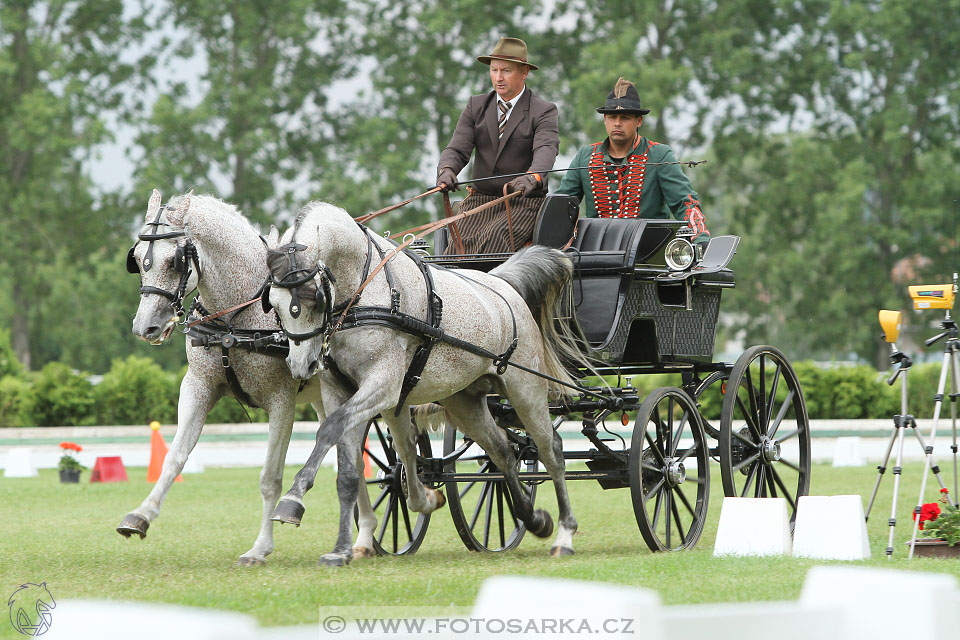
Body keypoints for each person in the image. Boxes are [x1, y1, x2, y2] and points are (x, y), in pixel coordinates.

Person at [436, 37, 559, 254]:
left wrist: (533, 176)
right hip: (479, 200)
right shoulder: (476, 106)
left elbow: (546, 150)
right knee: (455, 248)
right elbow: (457, 148)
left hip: (522, 202)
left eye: (506, 71)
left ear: (524, 72)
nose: (498, 78)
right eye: (494, 70)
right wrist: (446, 170)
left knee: (495, 238)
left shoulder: (543, 111)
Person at [555, 77, 709, 240]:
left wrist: (699, 237)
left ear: (639, 121)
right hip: (596, 252)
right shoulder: (585, 157)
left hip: (648, 251)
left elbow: (684, 202)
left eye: (625, 118)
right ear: (604, 120)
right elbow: (561, 207)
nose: (617, 123)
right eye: (612, 117)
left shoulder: (659, 155)